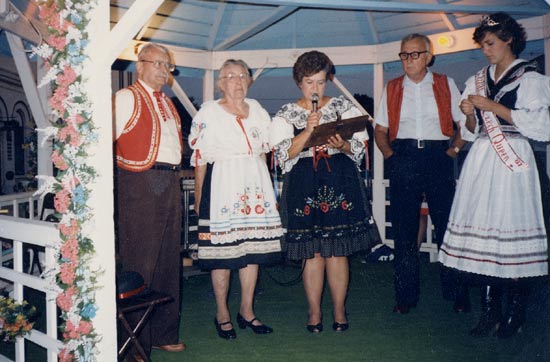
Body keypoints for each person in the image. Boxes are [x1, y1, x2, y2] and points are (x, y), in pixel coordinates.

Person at [438, 13, 550, 338]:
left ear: (508, 39)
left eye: (490, 44)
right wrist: (471, 115)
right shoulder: (477, 79)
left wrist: (492, 106)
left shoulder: (529, 78)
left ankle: (515, 314)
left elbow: (540, 126)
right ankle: (490, 312)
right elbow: (472, 132)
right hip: (484, 159)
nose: (486, 51)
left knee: (511, 232)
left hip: (513, 158)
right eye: (482, 45)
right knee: (486, 236)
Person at [270, 50, 380, 333]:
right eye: (309, 82)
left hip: (339, 178)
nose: (315, 88)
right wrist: (307, 131)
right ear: (299, 82)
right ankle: (314, 311)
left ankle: (340, 310)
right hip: (304, 182)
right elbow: (283, 156)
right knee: (313, 252)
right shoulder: (285, 114)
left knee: (337, 251)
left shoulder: (345, 106)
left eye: (320, 81)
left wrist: (342, 145)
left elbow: (361, 148)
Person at [189, 59, 283, 340]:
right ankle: (222, 313)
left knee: (251, 252)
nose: (237, 81)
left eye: (242, 75)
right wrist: (198, 195)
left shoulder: (258, 110)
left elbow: (265, 153)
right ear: (220, 83)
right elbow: (200, 159)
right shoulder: (209, 112)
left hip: (254, 186)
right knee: (223, 254)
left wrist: (269, 192)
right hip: (222, 186)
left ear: (249, 80)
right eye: (230, 76)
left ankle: (247, 311)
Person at [374, 33, 467, 314]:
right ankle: (405, 298)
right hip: (403, 157)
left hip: (437, 157)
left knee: (447, 226)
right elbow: (380, 130)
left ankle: (457, 293)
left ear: (428, 57)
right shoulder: (391, 88)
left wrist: (453, 151)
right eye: (404, 55)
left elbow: (463, 123)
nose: (408, 60)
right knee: (404, 231)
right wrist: (391, 156)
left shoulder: (444, 84)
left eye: (414, 54)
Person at [114, 43, 185, 359]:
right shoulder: (127, 97)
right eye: (156, 63)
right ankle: (133, 343)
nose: (162, 69)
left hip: (170, 180)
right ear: (139, 65)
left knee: (169, 261)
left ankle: (164, 333)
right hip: (140, 182)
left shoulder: (168, 104)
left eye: (166, 65)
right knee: (140, 261)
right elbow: (103, 141)